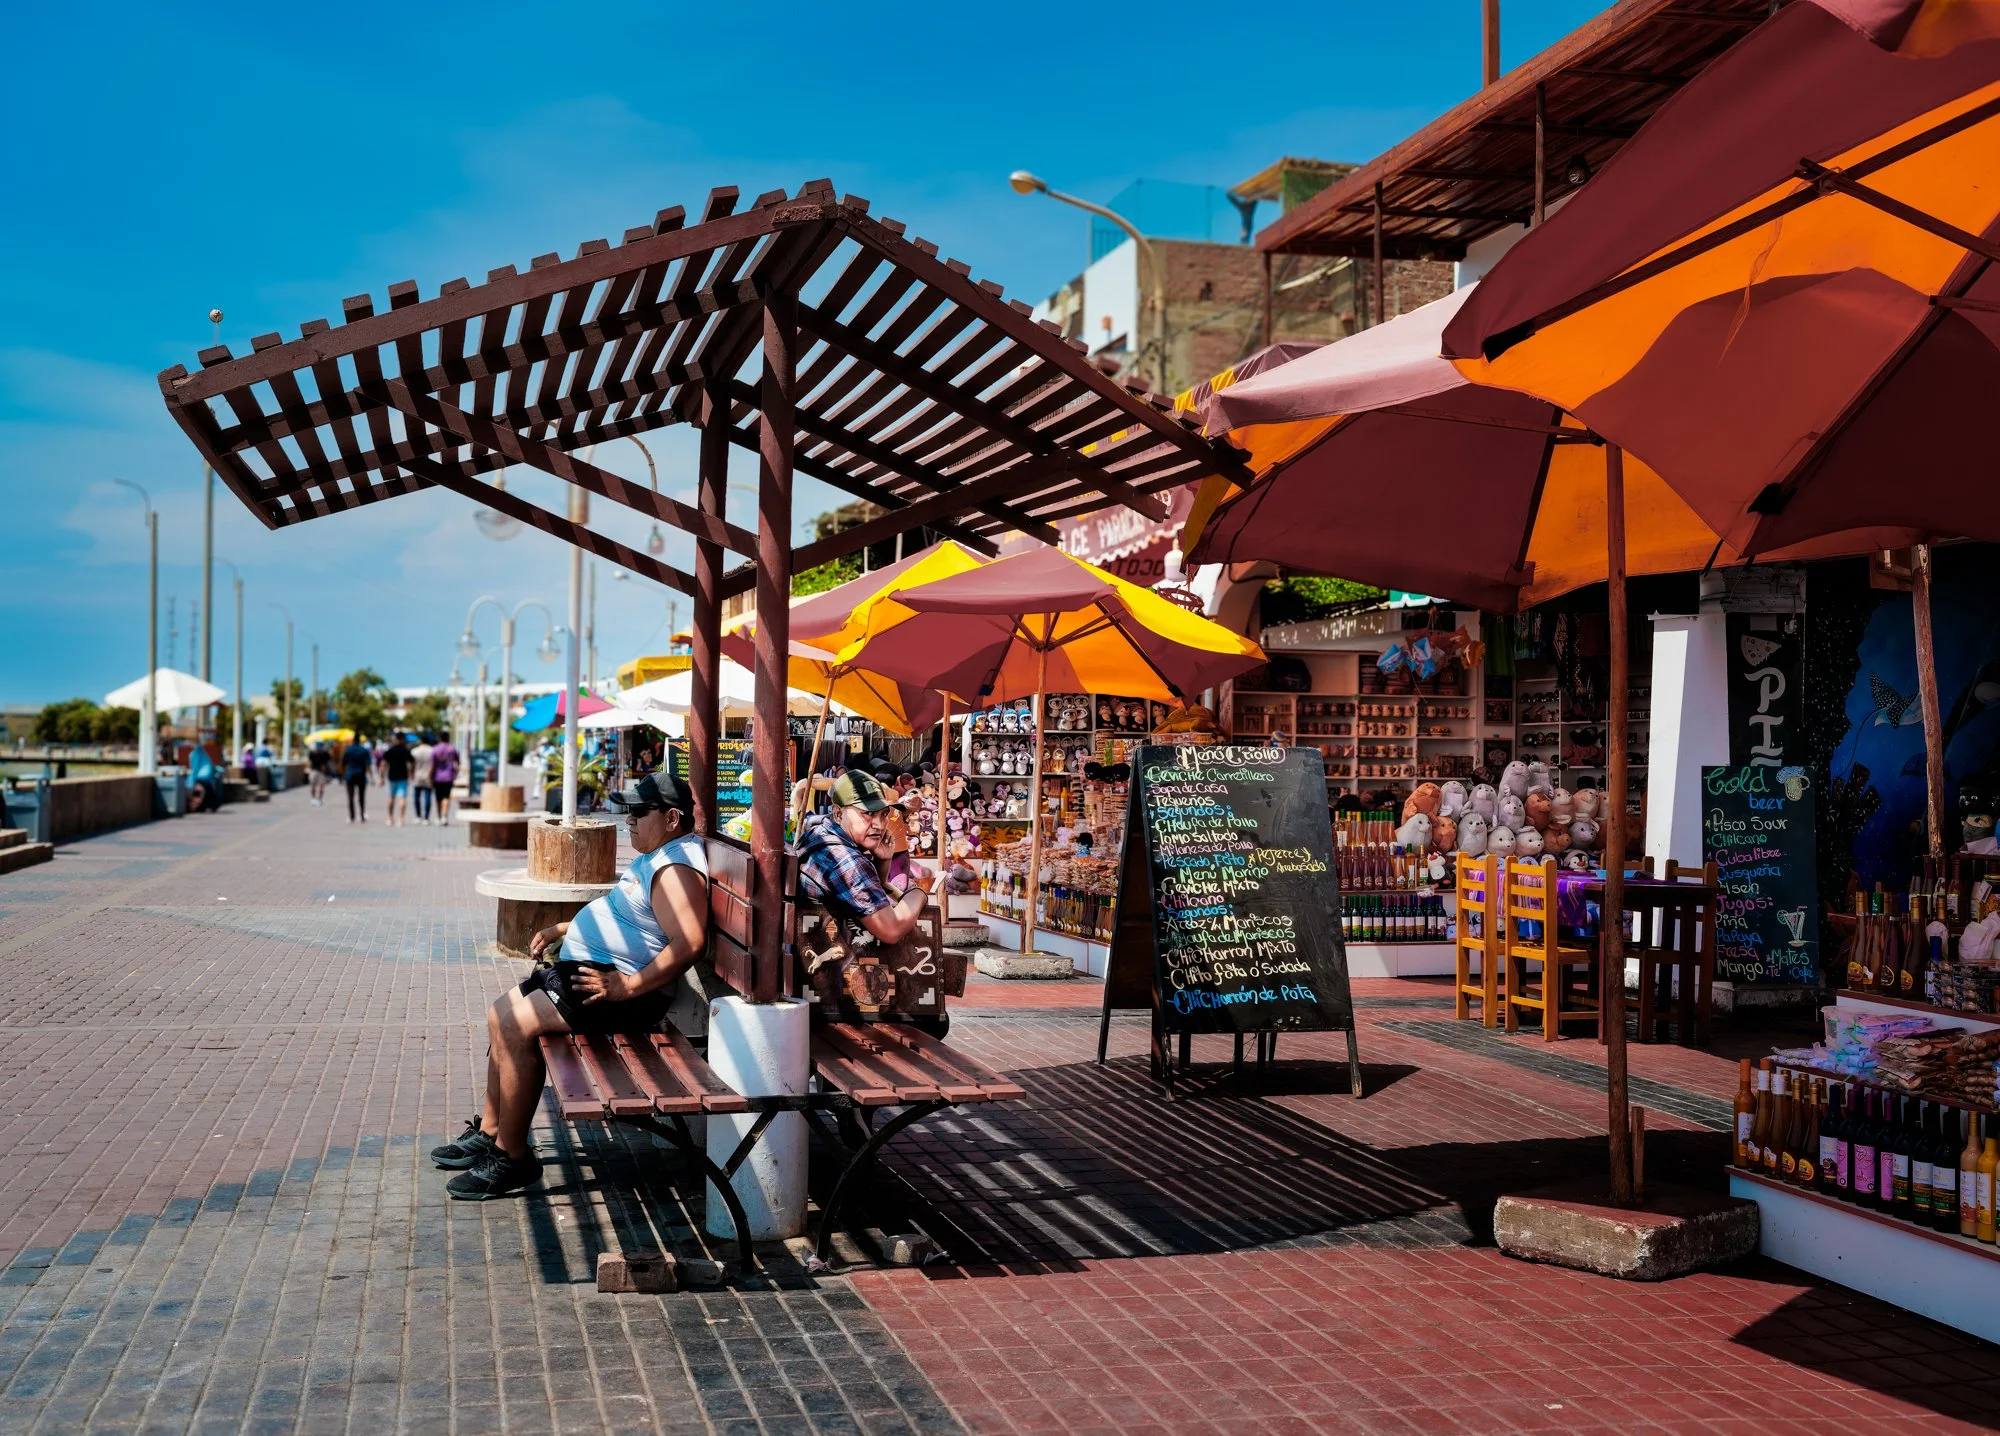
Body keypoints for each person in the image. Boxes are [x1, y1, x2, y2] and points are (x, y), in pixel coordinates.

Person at [432, 773, 709, 1199]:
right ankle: (491, 1132)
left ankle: (513, 1157)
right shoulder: (659, 854)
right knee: (498, 1014)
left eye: (637, 811)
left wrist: (627, 986)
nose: (627, 820)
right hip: (595, 973)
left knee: (515, 1026)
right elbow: (630, 914)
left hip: (619, 990)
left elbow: (690, 942)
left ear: (672, 817)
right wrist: (570, 925)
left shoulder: (674, 868)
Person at [795, 770, 937, 951]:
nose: (879, 824)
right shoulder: (847, 861)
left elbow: (863, 894)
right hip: (834, 964)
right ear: (839, 814)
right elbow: (891, 930)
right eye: (868, 813)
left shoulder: (819, 833)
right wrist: (918, 894)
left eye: (884, 814)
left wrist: (883, 861)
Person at [382, 731, 414, 827]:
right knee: (402, 798)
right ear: (403, 739)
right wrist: (412, 773)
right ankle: (400, 819)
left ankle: (389, 818)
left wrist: (381, 777)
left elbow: (383, 764)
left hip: (392, 776)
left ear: (396, 739)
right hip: (403, 777)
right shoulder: (405, 750)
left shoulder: (390, 750)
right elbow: (412, 762)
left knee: (391, 797)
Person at [340, 735, 373, 822]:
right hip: (361, 775)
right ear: (359, 741)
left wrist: (343, 775)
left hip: (350, 775)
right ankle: (362, 815)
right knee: (361, 797)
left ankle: (352, 816)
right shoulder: (364, 751)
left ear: (353, 740)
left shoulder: (348, 750)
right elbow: (368, 765)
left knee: (350, 797)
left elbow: (343, 764)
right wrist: (372, 777)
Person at [431, 733, 459, 824]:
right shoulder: (452, 749)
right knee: (446, 797)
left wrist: (430, 776)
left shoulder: (435, 749)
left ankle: (439, 816)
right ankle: (444, 816)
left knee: (438, 797)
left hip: (437, 777)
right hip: (448, 776)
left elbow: (432, 765)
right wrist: (455, 773)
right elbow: (457, 762)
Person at [411, 733, 436, 824]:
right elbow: (434, 764)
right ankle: (426, 818)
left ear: (421, 741)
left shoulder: (414, 751)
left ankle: (418, 816)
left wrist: (411, 775)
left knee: (417, 796)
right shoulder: (432, 750)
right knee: (427, 796)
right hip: (428, 775)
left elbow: (412, 765)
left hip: (417, 775)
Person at [307, 741, 330, 806]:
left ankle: (315, 799)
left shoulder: (313, 752)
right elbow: (328, 762)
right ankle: (317, 799)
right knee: (317, 786)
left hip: (316, 771)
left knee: (315, 785)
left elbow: (310, 761)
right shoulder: (324, 753)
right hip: (319, 771)